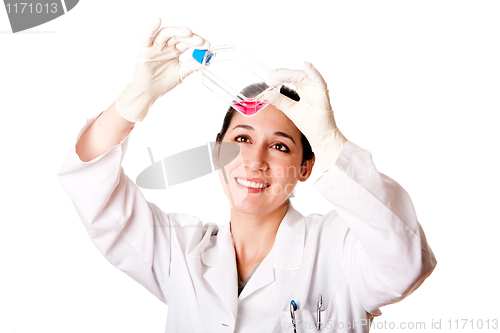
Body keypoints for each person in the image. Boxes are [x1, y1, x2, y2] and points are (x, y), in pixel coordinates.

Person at [58, 18, 437, 333]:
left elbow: (405, 262)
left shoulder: (339, 249)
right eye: (242, 139)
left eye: (280, 146)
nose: (255, 161)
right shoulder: (181, 254)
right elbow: (94, 193)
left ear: (306, 168)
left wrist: (330, 140)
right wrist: (133, 99)